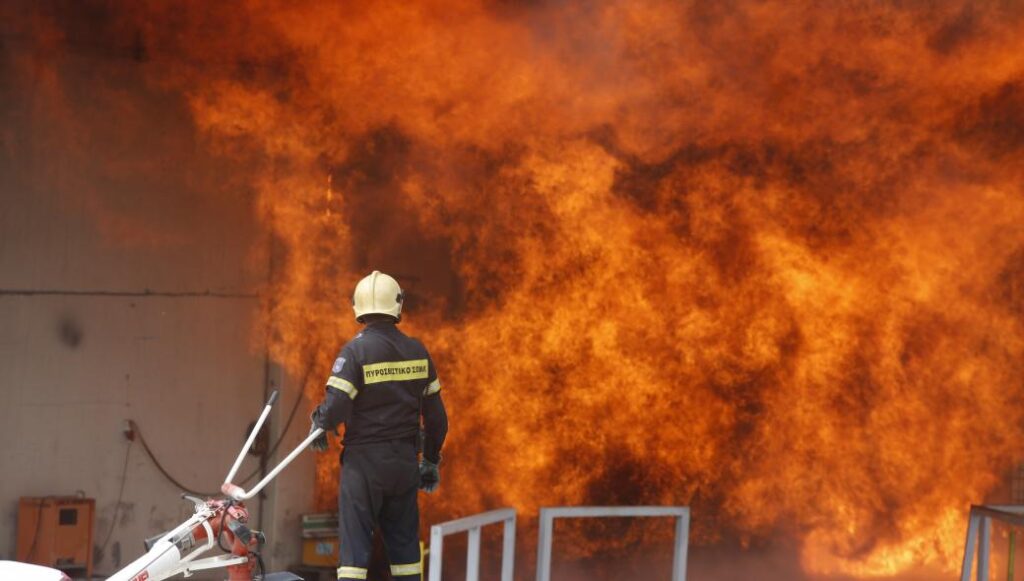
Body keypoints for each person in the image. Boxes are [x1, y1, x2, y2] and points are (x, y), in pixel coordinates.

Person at [310, 270, 448, 581]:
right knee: (406, 553)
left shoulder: (355, 352)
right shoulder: (418, 352)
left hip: (363, 467)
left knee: (355, 554)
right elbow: (438, 420)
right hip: (403, 464)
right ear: (398, 305)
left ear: (357, 306)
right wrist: (429, 461)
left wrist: (319, 421)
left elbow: (335, 411)